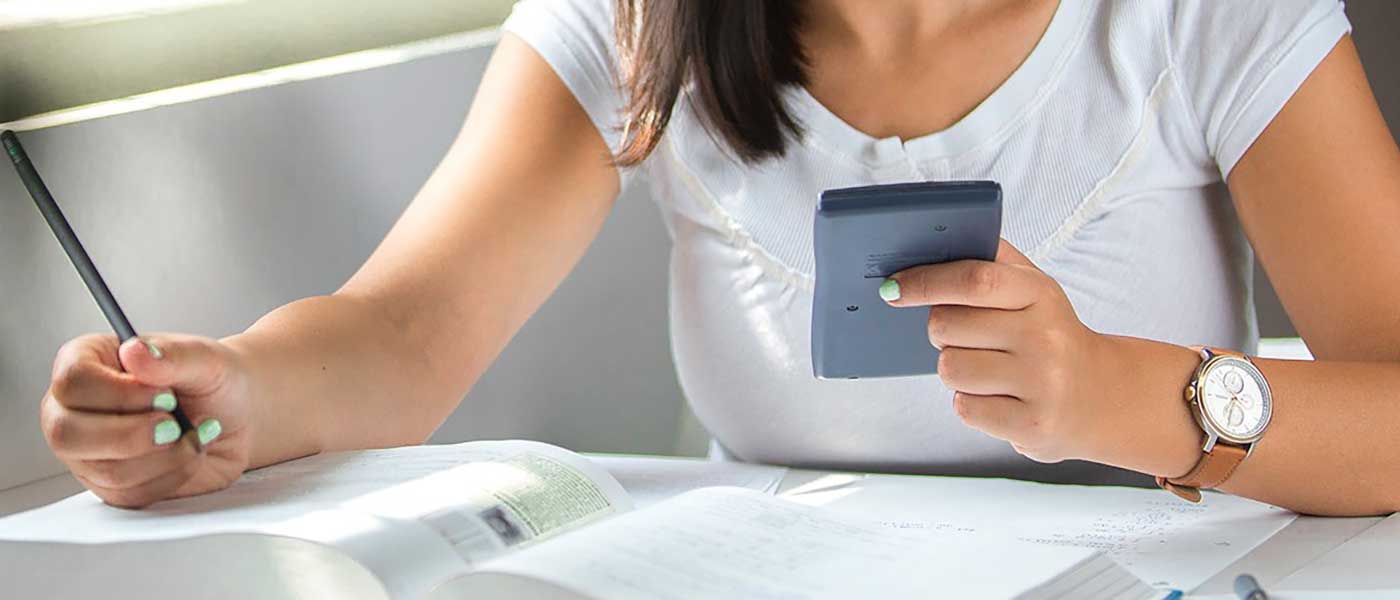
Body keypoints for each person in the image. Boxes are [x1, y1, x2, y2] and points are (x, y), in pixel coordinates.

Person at [38, 0, 1400, 516]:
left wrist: (1129, 396)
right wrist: (238, 389)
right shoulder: (639, 19)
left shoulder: (1211, 16)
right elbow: (403, 333)